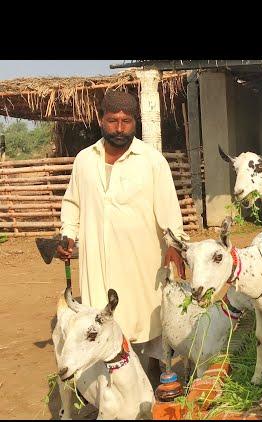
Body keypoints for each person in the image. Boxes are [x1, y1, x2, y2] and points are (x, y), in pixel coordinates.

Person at [57, 90, 188, 380]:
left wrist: (174, 244)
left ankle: (153, 380)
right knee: (102, 326)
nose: (119, 127)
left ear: (135, 122)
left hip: (140, 261)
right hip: (98, 262)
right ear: (100, 120)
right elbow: (72, 204)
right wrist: (68, 233)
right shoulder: (84, 161)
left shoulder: (151, 161)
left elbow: (168, 208)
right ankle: (110, 389)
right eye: (112, 120)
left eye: (126, 121)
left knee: (148, 326)